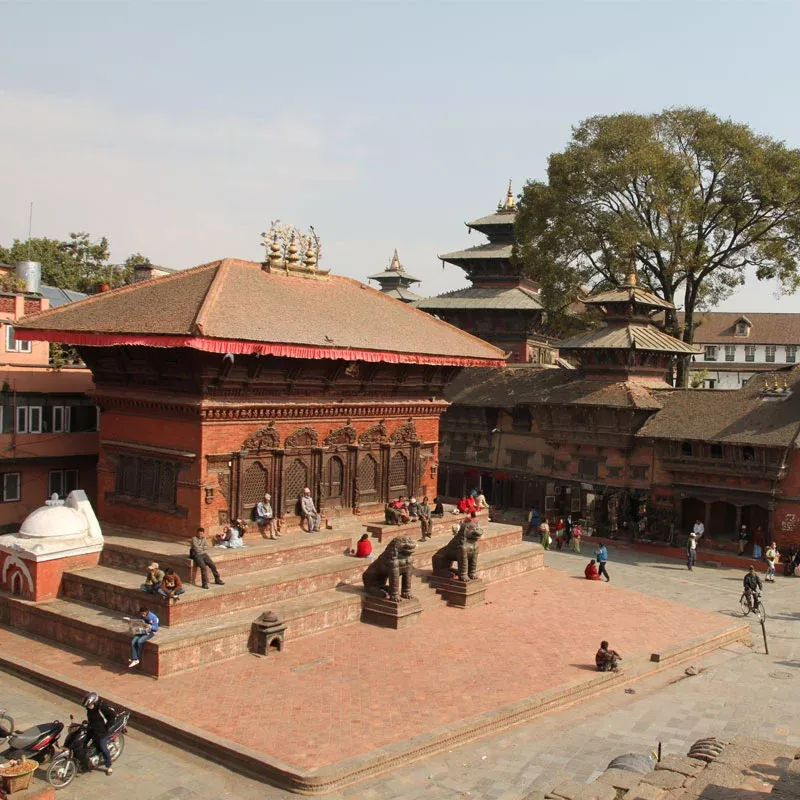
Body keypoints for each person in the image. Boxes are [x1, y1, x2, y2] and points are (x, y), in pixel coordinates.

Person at [81, 692, 117, 775]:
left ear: (94, 702)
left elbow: (112, 716)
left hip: (102, 732)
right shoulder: (89, 709)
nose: (87, 707)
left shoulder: (102, 708)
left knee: (103, 747)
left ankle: (108, 766)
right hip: (93, 728)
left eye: (89, 705)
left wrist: (107, 727)